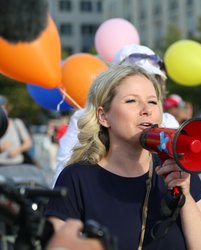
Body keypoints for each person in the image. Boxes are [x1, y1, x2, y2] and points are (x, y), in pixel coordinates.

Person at [45, 65, 201, 250]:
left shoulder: (178, 171)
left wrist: (184, 195)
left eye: (153, 102)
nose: (146, 110)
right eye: (131, 101)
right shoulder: (77, 178)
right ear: (103, 116)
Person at [52, 44, 179, 186]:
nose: (145, 83)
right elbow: (63, 173)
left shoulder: (169, 121)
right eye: (131, 99)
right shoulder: (83, 119)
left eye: (153, 78)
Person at [0, 95, 33, 166]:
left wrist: (17, 150)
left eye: (3, 109)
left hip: (17, 164)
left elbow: (28, 143)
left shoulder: (17, 123)